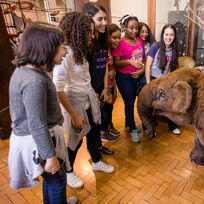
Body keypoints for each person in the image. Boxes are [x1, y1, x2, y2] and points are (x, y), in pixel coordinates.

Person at [8, 22, 77, 204]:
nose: (65, 52)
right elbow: (37, 123)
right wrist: (50, 157)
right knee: (58, 181)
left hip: (38, 140)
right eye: (62, 46)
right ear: (47, 48)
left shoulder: (27, 71)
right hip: (40, 142)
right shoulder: (34, 82)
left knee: (52, 179)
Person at [53, 11, 114, 189]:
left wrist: (91, 92)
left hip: (87, 98)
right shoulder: (67, 55)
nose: (92, 36)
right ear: (78, 32)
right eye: (89, 32)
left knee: (94, 133)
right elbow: (58, 89)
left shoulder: (79, 52)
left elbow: (83, 78)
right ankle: (68, 171)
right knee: (75, 140)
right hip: (74, 104)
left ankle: (96, 161)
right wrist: (73, 115)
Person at [82, 2, 119, 148]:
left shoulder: (103, 39)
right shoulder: (86, 43)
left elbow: (104, 66)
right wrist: (90, 92)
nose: (104, 23)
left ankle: (99, 147)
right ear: (89, 19)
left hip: (100, 87)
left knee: (100, 119)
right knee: (94, 123)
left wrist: (105, 88)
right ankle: (95, 151)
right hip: (88, 91)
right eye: (100, 19)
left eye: (105, 18)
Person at [145, 24, 181, 135]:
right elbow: (147, 66)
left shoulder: (174, 49)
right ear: (163, 35)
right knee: (149, 105)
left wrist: (167, 82)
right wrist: (148, 85)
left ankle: (172, 126)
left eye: (171, 35)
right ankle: (148, 127)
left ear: (174, 36)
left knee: (169, 103)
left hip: (164, 80)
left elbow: (170, 67)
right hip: (152, 79)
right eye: (166, 34)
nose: (168, 37)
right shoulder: (155, 47)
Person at [113, 14, 144, 143]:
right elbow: (117, 63)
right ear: (124, 27)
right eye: (131, 28)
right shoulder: (120, 42)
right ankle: (132, 129)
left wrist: (140, 71)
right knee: (129, 103)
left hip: (137, 77)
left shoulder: (139, 40)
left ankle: (128, 124)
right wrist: (130, 62)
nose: (134, 31)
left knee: (132, 102)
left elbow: (143, 58)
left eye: (136, 28)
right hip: (124, 78)